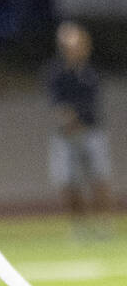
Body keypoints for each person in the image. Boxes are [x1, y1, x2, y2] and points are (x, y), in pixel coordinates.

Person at [46, 21, 113, 232]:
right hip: (65, 134)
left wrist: (77, 118)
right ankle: (79, 226)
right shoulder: (55, 73)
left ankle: (103, 223)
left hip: (91, 132)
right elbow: (57, 103)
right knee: (68, 181)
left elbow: (91, 103)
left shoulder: (90, 73)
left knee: (99, 177)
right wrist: (68, 119)